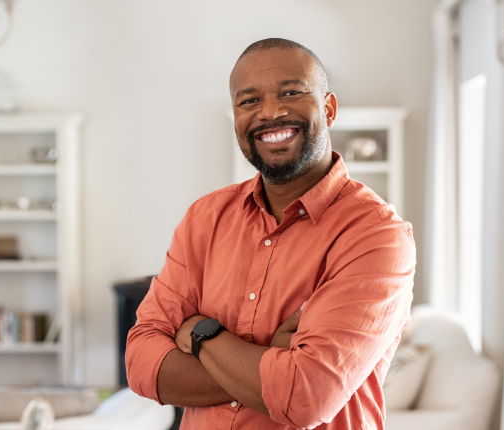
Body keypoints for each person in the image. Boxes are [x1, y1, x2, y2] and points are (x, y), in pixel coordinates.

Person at [125, 38, 416, 430]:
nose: (271, 112)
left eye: (291, 92)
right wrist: (268, 361)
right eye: (249, 101)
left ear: (328, 109)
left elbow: (306, 396)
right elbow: (141, 363)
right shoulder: (205, 218)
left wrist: (200, 334)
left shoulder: (377, 235)